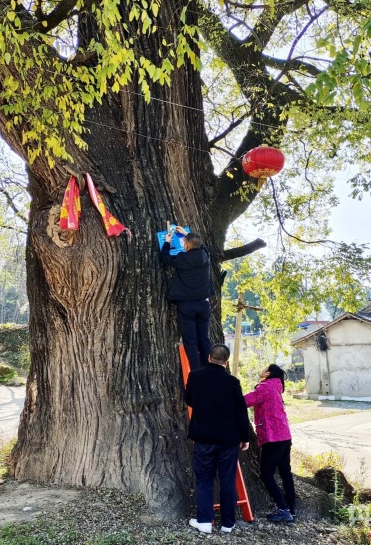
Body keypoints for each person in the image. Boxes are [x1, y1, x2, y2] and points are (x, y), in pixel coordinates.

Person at [184, 344, 250, 534]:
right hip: (228, 440)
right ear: (226, 362)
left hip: (203, 438)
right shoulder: (233, 382)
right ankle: (228, 523)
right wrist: (244, 437)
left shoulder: (195, 377)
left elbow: (189, 400)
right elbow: (241, 412)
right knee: (227, 480)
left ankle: (205, 521)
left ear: (209, 358)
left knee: (204, 480)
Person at [244, 364, 296, 522]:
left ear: (268, 373)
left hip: (273, 436)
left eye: (264, 369)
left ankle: (283, 508)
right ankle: (291, 508)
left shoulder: (265, 387)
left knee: (266, 474)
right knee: (285, 472)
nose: (262, 370)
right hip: (284, 435)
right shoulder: (277, 386)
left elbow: (245, 401)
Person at [161, 226, 212, 370]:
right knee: (204, 339)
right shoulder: (205, 256)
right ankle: (210, 369)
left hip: (187, 305)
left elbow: (165, 258)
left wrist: (167, 243)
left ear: (186, 246)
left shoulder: (182, 258)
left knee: (190, 341)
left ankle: (197, 372)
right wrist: (187, 234)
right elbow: (203, 247)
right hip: (204, 304)